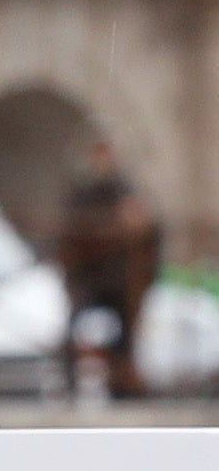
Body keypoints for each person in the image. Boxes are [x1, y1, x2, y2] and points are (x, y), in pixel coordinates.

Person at [55, 139, 161, 398]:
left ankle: (123, 380)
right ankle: (71, 381)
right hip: (88, 278)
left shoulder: (123, 190)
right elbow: (70, 234)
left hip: (119, 280)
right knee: (74, 327)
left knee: (124, 333)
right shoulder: (83, 194)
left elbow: (146, 230)